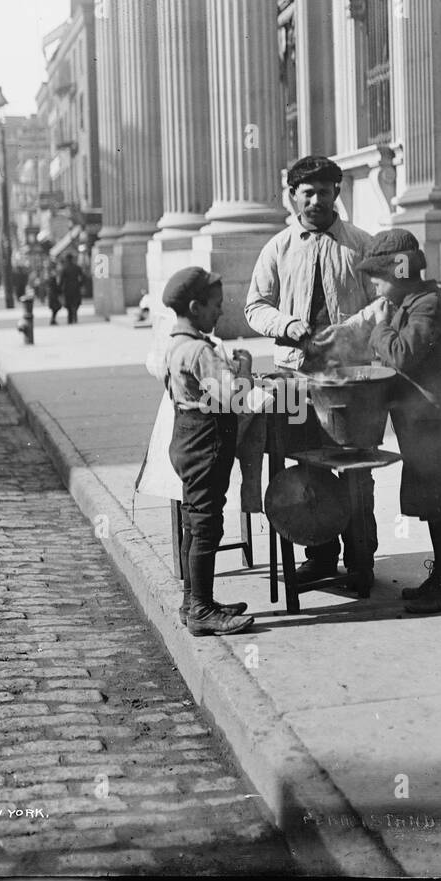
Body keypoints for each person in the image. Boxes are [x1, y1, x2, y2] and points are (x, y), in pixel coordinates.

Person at [314, 229, 441, 613]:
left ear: (399, 271)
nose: (373, 284)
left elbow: (400, 353)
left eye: (377, 276)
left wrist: (380, 326)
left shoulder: (427, 305)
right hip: (423, 425)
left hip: (437, 425)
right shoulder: (411, 303)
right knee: (434, 505)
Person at [245, 154, 378, 591]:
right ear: (293, 197)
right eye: (308, 193)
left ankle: (360, 561)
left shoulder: (361, 244)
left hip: (349, 379)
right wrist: (285, 324)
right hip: (295, 380)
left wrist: (351, 330)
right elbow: (255, 306)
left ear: (336, 194)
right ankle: (319, 555)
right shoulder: (277, 248)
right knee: (307, 465)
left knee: (357, 468)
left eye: (325, 192)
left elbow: (384, 303)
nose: (317, 200)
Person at [163, 266, 256, 636]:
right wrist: (244, 368)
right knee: (206, 526)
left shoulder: (176, 344)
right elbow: (234, 396)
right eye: (215, 305)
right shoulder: (200, 350)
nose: (220, 311)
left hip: (186, 439)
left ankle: (193, 601)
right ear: (195, 306)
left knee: (193, 521)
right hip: (206, 442)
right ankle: (202, 609)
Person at [59, 254, 83, 324]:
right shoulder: (77, 267)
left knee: (69, 304)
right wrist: (80, 284)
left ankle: (70, 318)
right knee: (76, 303)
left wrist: (59, 289)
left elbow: (61, 280)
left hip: (68, 288)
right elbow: (83, 277)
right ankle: (74, 316)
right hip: (76, 288)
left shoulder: (65, 269)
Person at [45, 259, 63, 325]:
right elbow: (52, 283)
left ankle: (53, 319)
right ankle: (53, 319)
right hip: (53, 292)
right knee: (56, 306)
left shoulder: (50, 273)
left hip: (52, 292)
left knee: (55, 307)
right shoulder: (51, 273)